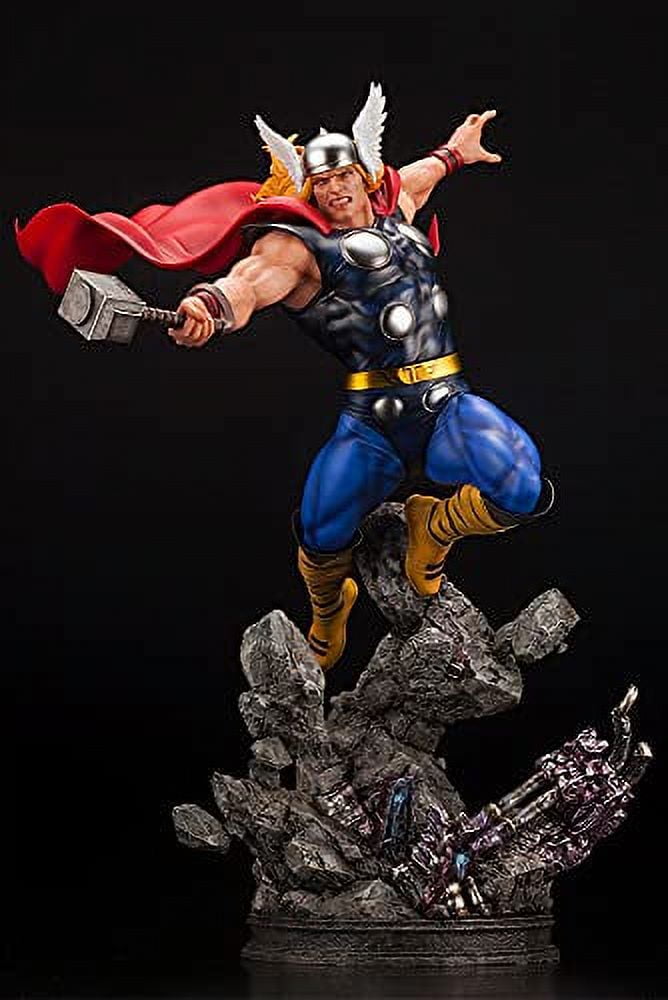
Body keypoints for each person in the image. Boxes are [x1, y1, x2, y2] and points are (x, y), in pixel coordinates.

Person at [16, 83, 551, 672]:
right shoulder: (299, 249)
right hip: (372, 424)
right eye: (321, 182)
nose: (335, 188)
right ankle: (329, 613)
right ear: (308, 190)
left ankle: (435, 528)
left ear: (364, 175)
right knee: (321, 531)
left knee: (521, 484)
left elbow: (423, 174)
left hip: (445, 402)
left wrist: (455, 152)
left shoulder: (396, 205)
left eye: (344, 175)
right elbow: (248, 282)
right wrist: (209, 307)